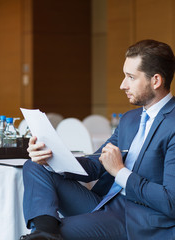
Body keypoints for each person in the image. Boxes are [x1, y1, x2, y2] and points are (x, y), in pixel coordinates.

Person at [20, 39, 175, 240]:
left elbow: (170, 202)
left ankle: (44, 235)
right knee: (36, 166)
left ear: (155, 80)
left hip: (138, 219)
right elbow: (95, 164)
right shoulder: (130, 119)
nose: (122, 85)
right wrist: (51, 157)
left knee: (61, 233)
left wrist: (120, 172)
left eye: (130, 77)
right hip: (105, 203)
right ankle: (45, 232)